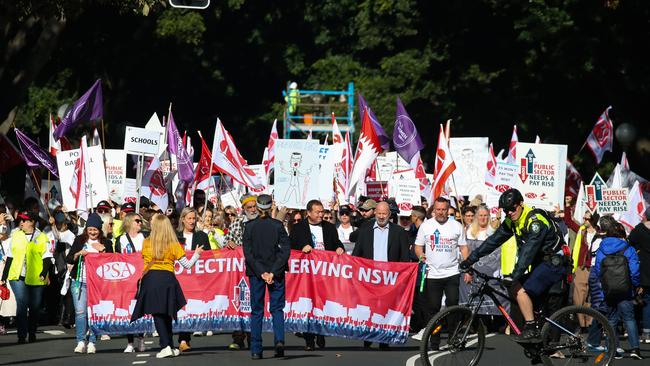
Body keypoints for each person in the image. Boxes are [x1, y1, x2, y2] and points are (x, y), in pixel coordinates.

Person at [460, 189, 569, 342]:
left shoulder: (534, 220)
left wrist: (514, 275)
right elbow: (493, 242)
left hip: (554, 262)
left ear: (521, 204)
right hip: (541, 262)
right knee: (529, 298)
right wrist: (470, 259)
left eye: (512, 208)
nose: (509, 212)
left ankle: (530, 327)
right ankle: (540, 332)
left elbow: (528, 252)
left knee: (518, 287)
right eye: (506, 210)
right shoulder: (512, 221)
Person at [131, 214, 204, 358]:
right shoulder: (174, 244)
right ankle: (169, 345)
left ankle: (165, 346)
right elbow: (187, 265)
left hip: (151, 279)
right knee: (166, 314)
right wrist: (196, 254)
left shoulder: (146, 242)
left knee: (157, 314)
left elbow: (144, 258)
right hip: (168, 279)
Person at [352, 201, 410, 349]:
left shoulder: (399, 232)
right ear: (375, 213)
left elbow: (404, 258)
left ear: (390, 215)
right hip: (369, 276)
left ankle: (384, 339)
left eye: (385, 214)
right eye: (379, 213)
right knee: (369, 308)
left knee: (385, 309)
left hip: (390, 278)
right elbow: (356, 254)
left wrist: (402, 278)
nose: (382, 216)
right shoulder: (365, 230)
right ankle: (368, 336)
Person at [415, 197, 470, 349]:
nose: (440, 212)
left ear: (448, 210)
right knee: (433, 309)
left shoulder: (456, 226)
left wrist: (468, 268)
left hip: (452, 272)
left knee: (452, 306)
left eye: (443, 210)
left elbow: (464, 248)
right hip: (432, 274)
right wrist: (421, 255)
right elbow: (418, 246)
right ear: (433, 210)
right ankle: (434, 340)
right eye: (437, 209)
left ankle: (453, 338)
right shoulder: (426, 226)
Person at [290, 199, 344, 351]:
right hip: (306, 275)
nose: (321, 214)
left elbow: (336, 243)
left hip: (324, 274)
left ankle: (320, 331)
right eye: (317, 212)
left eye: (322, 211)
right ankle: (309, 339)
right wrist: (302, 248)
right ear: (308, 213)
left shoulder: (329, 227)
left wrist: (339, 248)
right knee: (308, 305)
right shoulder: (298, 228)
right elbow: (290, 247)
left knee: (322, 304)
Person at [242, 194, 291, 359]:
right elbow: (285, 251)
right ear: (271, 207)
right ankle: (279, 341)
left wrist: (263, 272)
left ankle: (256, 349)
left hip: (258, 273)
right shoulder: (277, 226)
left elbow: (248, 254)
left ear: (257, 206)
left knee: (257, 311)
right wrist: (272, 272)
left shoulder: (249, 226)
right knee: (277, 309)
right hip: (272, 272)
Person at [588, 216, 642, 359]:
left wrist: (605, 283)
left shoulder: (602, 249)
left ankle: (613, 349)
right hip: (625, 289)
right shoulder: (628, 248)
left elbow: (598, 269)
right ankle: (635, 349)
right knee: (629, 318)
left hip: (608, 289)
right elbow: (635, 270)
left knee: (611, 319)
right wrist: (635, 285)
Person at [0, 211, 51, 344]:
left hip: (36, 277)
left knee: (34, 306)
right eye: (20, 220)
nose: (21, 223)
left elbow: (47, 258)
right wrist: (3, 277)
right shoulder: (16, 235)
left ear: (32, 222)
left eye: (25, 220)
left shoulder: (42, 237)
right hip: (17, 275)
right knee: (22, 303)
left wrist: (43, 273)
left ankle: (32, 332)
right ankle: (22, 334)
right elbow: (10, 256)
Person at [66, 213, 113, 353]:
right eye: (90, 229)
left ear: (100, 229)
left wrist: (103, 251)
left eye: (95, 229)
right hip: (79, 281)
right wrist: (78, 253)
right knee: (80, 313)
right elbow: (69, 259)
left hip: (97, 284)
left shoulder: (107, 243)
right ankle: (80, 341)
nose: (92, 232)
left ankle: (92, 341)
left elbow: (112, 262)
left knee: (93, 313)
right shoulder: (80, 240)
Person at [175, 207, 210, 351]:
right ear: (182, 219)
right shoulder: (175, 236)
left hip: (197, 277)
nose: (192, 221)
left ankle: (193, 331)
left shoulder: (201, 235)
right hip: (180, 277)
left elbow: (209, 257)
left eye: (194, 218)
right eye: (189, 218)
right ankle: (183, 339)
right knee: (183, 308)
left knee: (193, 307)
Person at [113, 212, 147, 352]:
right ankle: (130, 342)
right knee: (128, 309)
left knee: (141, 308)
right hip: (127, 278)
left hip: (143, 276)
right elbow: (118, 258)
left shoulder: (144, 237)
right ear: (129, 222)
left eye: (140, 221)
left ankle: (141, 338)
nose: (140, 223)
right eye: (137, 221)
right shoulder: (121, 239)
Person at [628, 209, 650, 344]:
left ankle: (644, 332)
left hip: (644, 269)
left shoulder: (639, 230)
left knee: (643, 300)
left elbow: (629, 243)